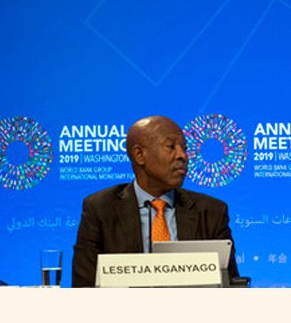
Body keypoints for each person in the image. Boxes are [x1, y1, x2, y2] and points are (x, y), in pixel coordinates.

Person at [71, 115, 241, 287]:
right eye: (171, 147)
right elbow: (84, 286)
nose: (182, 156)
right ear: (139, 155)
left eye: (184, 148)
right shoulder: (101, 209)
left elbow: (230, 284)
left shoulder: (211, 212)